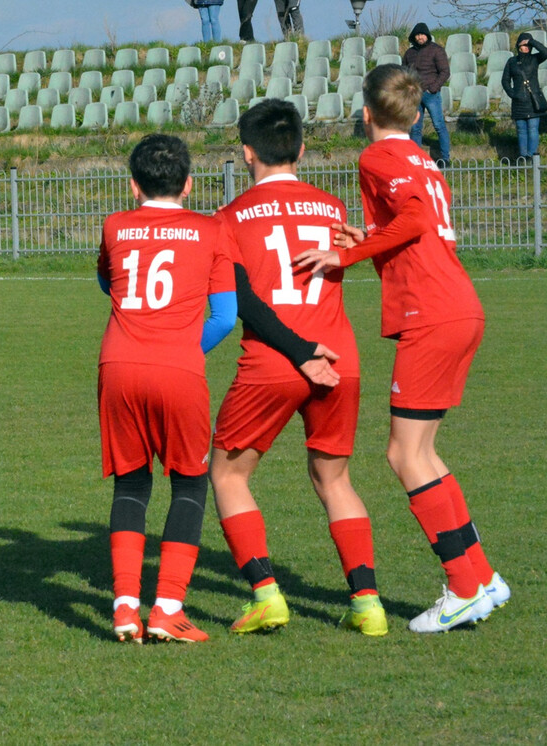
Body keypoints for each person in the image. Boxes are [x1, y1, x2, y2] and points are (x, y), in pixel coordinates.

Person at [294, 65, 509, 634]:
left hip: (431, 312)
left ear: (366, 112)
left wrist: (347, 256)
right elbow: (423, 223)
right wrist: (368, 238)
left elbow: (413, 220)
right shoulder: (422, 158)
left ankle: (463, 588)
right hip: (459, 303)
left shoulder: (376, 157)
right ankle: (482, 577)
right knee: (425, 453)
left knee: (403, 456)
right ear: (416, 115)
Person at [211, 99, 387, 637]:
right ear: (302, 150)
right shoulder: (332, 208)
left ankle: (267, 595)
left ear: (246, 153)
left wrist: (295, 351)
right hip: (340, 359)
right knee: (334, 479)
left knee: (227, 472)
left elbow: (240, 300)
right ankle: (369, 606)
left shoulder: (230, 218)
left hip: (275, 360)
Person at [96, 133, 236, 643]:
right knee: (190, 482)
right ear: (190, 183)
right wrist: (181, 349)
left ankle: (125, 609)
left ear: (134, 186)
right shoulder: (212, 229)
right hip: (178, 368)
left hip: (119, 364)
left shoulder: (115, 225)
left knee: (131, 484)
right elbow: (225, 317)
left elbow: (109, 283)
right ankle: (168, 609)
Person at [403, 23, 451, 164]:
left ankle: (445, 158)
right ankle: (415, 160)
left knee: (439, 125)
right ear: (414, 37)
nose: (420, 37)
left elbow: (445, 72)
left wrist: (433, 88)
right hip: (414, 95)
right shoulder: (409, 53)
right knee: (415, 128)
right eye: (417, 35)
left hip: (431, 94)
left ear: (427, 35)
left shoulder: (436, 50)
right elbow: (403, 73)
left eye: (422, 34)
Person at [501, 32, 547, 159]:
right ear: (518, 45)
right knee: (521, 131)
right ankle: (523, 157)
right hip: (519, 102)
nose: (526, 47)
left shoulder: (535, 59)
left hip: (533, 101)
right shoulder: (511, 61)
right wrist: (513, 94)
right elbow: (505, 80)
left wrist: (531, 41)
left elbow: (545, 51)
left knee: (533, 129)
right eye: (524, 44)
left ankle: (532, 156)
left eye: (528, 45)